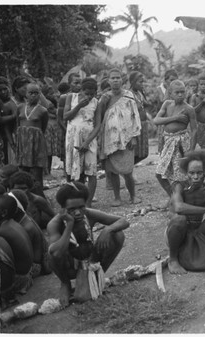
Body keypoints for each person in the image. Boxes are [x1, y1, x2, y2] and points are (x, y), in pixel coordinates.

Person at [47, 181, 129, 306]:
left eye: (81, 207)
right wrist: (69, 225)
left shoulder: (88, 214)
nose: (78, 212)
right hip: (69, 266)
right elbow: (56, 253)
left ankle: (98, 274)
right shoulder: (55, 223)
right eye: (72, 209)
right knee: (51, 253)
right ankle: (65, 284)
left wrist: (107, 230)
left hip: (90, 260)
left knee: (118, 234)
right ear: (63, 209)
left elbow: (124, 221)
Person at [166, 150, 205, 274]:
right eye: (192, 173)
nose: (195, 177)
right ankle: (173, 259)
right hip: (177, 231)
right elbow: (179, 208)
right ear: (186, 173)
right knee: (180, 219)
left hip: (196, 231)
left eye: (199, 173)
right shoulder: (179, 186)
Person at [98, 68, 142, 207]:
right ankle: (117, 197)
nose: (115, 80)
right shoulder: (104, 97)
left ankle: (133, 195)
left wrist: (134, 136)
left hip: (127, 138)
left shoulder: (129, 95)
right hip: (110, 139)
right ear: (109, 81)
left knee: (128, 170)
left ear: (122, 80)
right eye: (113, 78)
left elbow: (135, 116)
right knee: (112, 171)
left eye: (118, 78)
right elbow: (99, 117)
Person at [154, 80, 197, 209]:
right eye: (177, 92)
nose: (180, 95)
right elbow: (156, 120)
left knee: (181, 176)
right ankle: (173, 196)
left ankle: (185, 200)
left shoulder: (189, 109)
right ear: (170, 94)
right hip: (168, 142)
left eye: (182, 92)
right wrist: (175, 118)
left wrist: (191, 151)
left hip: (181, 142)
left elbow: (194, 130)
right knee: (160, 173)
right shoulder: (167, 104)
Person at [63, 77, 101, 207]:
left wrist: (87, 142)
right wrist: (79, 105)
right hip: (73, 137)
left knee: (91, 170)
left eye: (92, 94)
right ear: (82, 90)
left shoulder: (96, 102)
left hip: (89, 139)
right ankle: (74, 200)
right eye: (87, 93)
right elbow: (66, 116)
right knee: (72, 169)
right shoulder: (71, 97)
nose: (89, 96)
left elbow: (97, 125)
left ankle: (88, 203)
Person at [0, 193, 34, 304]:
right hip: (28, 273)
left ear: (3, 213)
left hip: (19, 280)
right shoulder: (12, 223)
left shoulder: (1, 231)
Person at [15, 82, 49, 193]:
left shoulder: (43, 111)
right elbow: (18, 126)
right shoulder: (19, 107)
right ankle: (23, 197)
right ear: (26, 94)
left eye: (36, 93)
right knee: (23, 173)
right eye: (31, 93)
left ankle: (39, 198)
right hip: (23, 144)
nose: (34, 95)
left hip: (36, 145)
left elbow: (42, 129)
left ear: (40, 94)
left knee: (37, 173)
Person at [8, 189, 51, 276]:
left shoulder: (26, 227)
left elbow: (21, 256)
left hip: (36, 267)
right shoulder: (23, 218)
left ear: (15, 209)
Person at [129, 71, 151, 165]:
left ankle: (129, 169)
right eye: (140, 82)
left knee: (144, 153)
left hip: (143, 124)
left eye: (143, 82)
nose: (142, 84)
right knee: (135, 152)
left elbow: (147, 105)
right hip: (135, 126)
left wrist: (143, 93)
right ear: (133, 82)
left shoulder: (139, 93)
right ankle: (128, 170)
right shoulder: (129, 94)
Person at [156, 69, 179, 154]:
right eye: (171, 80)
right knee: (164, 146)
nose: (174, 82)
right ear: (166, 80)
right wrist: (169, 89)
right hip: (164, 120)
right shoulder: (160, 89)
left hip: (175, 120)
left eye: (176, 80)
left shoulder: (177, 90)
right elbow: (163, 101)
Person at [0, 76, 18, 165]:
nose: (3, 92)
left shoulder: (13, 100)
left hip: (12, 135)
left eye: (5, 89)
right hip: (0, 136)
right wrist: (14, 116)